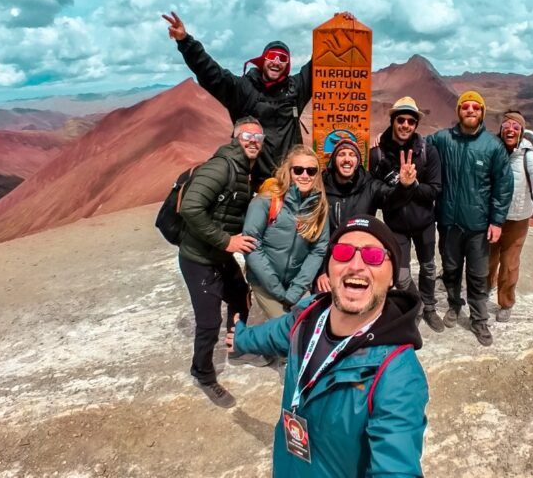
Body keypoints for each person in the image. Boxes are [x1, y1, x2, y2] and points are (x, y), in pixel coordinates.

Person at [230, 215, 428, 477]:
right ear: (329, 268)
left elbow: (396, 467)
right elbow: (274, 333)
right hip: (288, 465)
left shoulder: (397, 374)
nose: (356, 266)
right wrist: (242, 338)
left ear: (392, 277)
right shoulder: (307, 315)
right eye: (344, 253)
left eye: (373, 256)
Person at [163, 10, 353, 184]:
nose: (276, 63)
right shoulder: (243, 89)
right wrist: (186, 42)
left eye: (282, 59)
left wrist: (336, 28)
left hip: (290, 180)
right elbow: (211, 73)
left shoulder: (296, 88)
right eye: (272, 57)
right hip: (252, 181)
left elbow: (319, 63)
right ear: (264, 60)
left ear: (287, 65)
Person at [178, 116, 264, 408]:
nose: (253, 141)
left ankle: (236, 347)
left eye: (258, 137)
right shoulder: (221, 166)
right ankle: (202, 372)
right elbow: (191, 207)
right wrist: (227, 241)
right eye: (247, 136)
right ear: (235, 138)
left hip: (219, 256)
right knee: (208, 320)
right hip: (198, 258)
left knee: (240, 297)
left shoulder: (246, 169)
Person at [426, 91, 513, 346]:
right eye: (466, 106)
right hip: (449, 222)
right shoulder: (442, 139)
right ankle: (454, 305)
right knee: (451, 270)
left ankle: (479, 319)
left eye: (476, 107)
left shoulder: (492, 146)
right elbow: (415, 144)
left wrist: (497, 221)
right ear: (459, 111)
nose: (471, 110)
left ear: (482, 113)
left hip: (477, 225)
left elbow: (503, 186)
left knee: (477, 274)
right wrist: (382, 141)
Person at [369, 97, 443, 331]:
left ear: (415, 125)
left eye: (411, 121)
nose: (405, 125)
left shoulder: (427, 151)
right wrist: (401, 187)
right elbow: (378, 195)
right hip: (396, 225)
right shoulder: (378, 154)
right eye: (400, 119)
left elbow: (435, 189)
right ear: (392, 121)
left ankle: (429, 306)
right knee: (401, 276)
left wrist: (410, 185)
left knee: (428, 267)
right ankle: (417, 305)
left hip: (424, 223)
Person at [315, 139, 417, 292]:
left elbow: (391, 199)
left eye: (352, 155)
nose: (347, 159)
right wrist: (322, 271)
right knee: (324, 299)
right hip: (328, 259)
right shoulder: (321, 185)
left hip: (359, 256)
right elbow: (316, 238)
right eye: (341, 154)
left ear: (358, 161)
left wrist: (404, 187)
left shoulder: (369, 185)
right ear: (333, 160)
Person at [243, 145, 330, 320]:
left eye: (311, 171)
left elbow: (318, 250)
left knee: (308, 324)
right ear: (288, 171)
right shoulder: (266, 201)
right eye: (298, 170)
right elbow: (252, 245)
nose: (304, 176)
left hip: (295, 284)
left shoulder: (318, 207)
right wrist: (277, 289)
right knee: (287, 328)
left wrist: (296, 289)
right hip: (264, 282)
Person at [487, 111, 533, 323]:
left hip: (517, 220)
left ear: (522, 132)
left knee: (509, 264)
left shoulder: (531, 158)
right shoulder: (491, 151)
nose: (510, 130)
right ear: (501, 129)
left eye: (516, 127)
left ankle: (506, 302)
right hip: (491, 217)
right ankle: (486, 288)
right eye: (506, 125)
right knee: (487, 260)